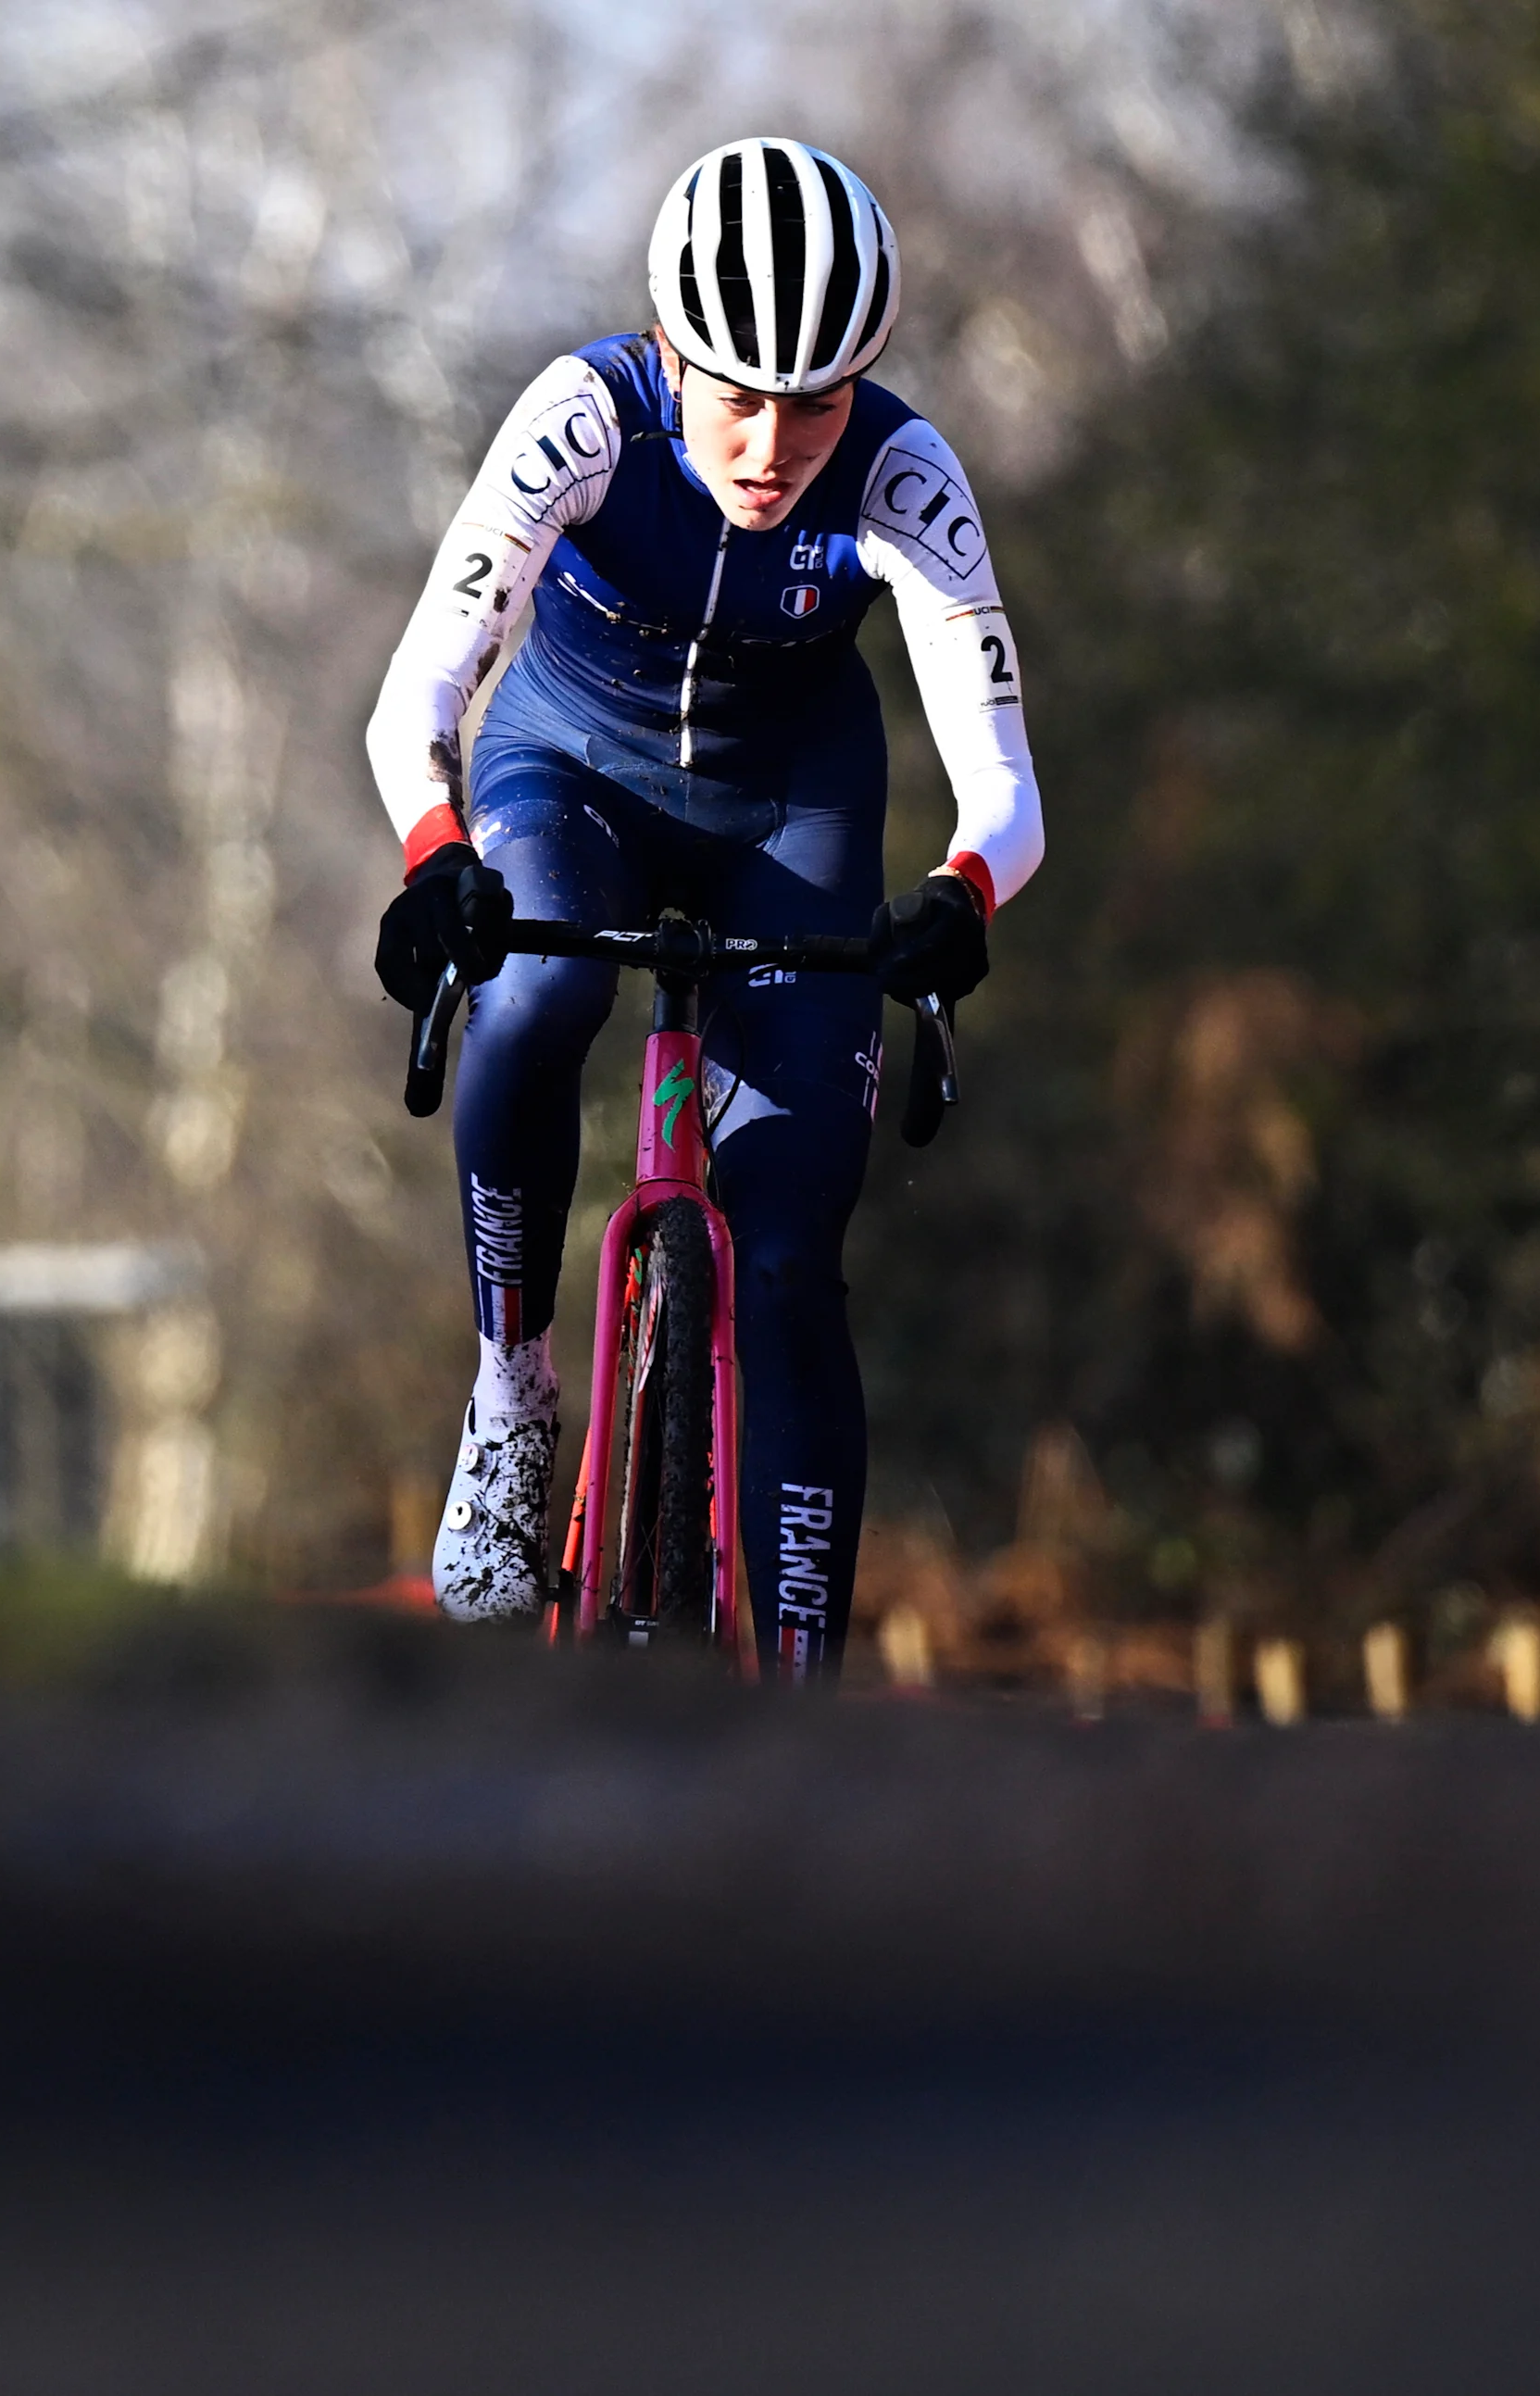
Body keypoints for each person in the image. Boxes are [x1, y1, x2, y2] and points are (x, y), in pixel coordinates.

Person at [365, 137, 1044, 1668]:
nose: (774, 441)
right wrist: (432, 851)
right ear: (669, 351)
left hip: (789, 802)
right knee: (537, 989)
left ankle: (792, 1700)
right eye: (738, 392)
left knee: (794, 1251)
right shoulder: (582, 417)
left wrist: (961, 888)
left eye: (818, 400)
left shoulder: (902, 474)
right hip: (569, 771)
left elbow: (1005, 783)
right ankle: (514, 1389)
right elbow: (424, 684)